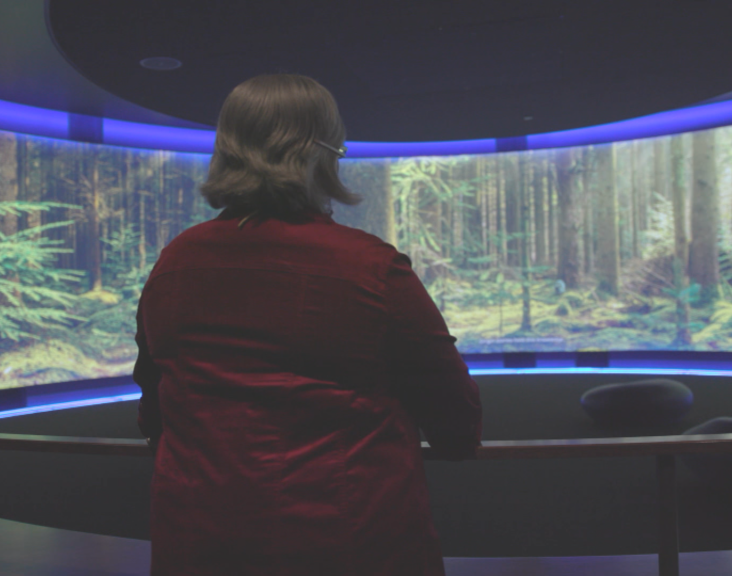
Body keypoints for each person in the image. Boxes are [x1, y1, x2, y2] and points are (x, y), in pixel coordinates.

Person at [133, 74, 482, 576]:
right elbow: (453, 408)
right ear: (322, 153)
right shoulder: (371, 267)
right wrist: (454, 443)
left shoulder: (174, 261)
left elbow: (155, 395)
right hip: (348, 542)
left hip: (199, 543)